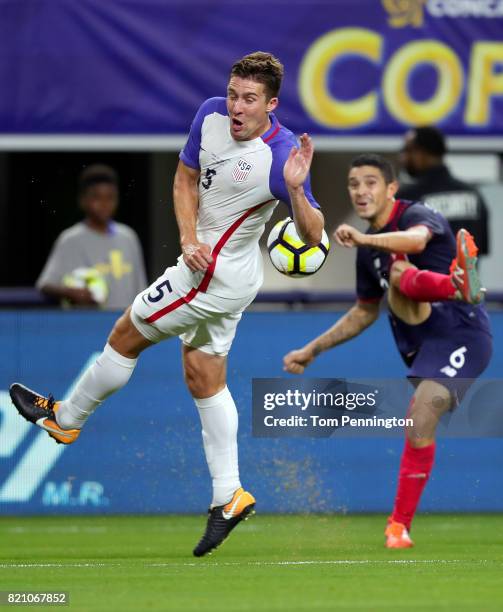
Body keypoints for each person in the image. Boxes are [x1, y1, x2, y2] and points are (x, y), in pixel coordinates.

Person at [10, 52, 324, 556]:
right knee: (203, 374)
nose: (237, 107)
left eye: (249, 99)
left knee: (123, 336)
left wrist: (295, 189)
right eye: (233, 94)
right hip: (213, 269)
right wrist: (186, 237)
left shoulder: (280, 154)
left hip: (212, 280)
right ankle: (229, 495)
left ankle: (66, 419)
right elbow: (183, 178)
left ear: (272, 104)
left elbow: (312, 235)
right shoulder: (209, 115)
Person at [284, 154, 492, 548]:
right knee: (418, 421)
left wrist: (364, 238)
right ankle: (398, 528)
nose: (361, 191)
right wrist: (312, 349)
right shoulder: (368, 254)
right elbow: (363, 313)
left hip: (462, 331)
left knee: (398, 271)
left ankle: (456, 285)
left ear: (391, 189)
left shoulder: (418, 214)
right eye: (353, 184)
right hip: (420, 338)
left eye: (370, 183)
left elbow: (415, 242)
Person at [36, 164, 147, 310]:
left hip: (126, 324)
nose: (104, 204)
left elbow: (141, 290)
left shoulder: (128, 237)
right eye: (96, 197)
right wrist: (71, 292)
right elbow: (45, 285)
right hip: (87, 324)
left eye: (110, 197)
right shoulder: (70, 239)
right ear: (83, 200)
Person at [398, 126, 489, 255]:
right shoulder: (473, 194)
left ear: (420, 153)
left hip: (425, 274)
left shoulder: (409, 196)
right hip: (467, 275)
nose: (402, 158)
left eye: (406, 151)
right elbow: (480, 249)